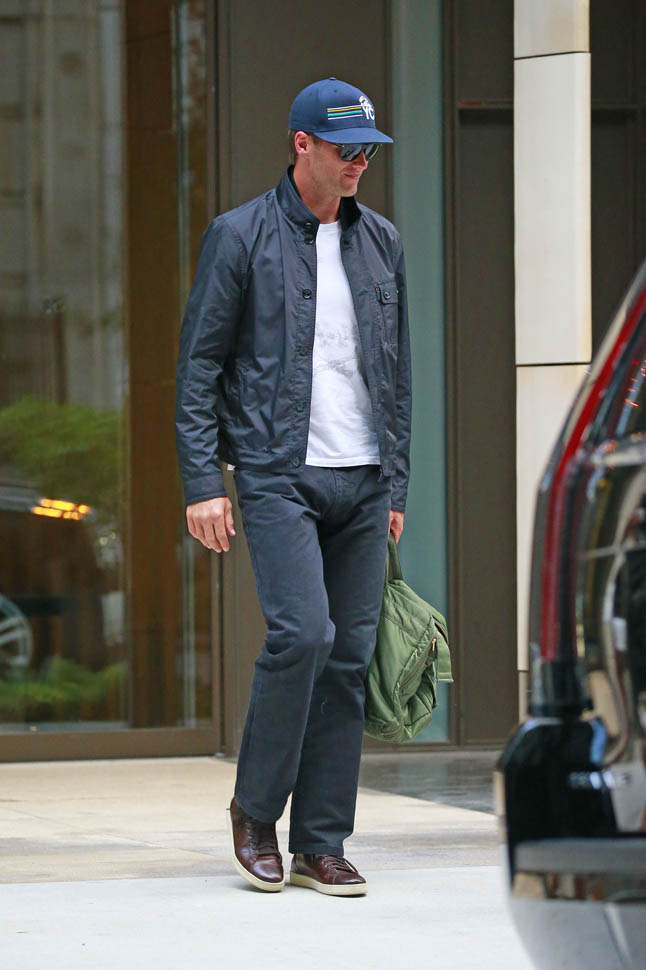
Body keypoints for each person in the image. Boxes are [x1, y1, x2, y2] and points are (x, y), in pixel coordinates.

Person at [175, 77, 411, 896]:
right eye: (346, 150)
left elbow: (397, 374)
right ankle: (254, 812)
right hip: (278, 473)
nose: (359, 164)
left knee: (347, 659)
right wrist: (204, 481)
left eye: (368, 153)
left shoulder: (382, 242)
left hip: (363, 479)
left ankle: (320, 842)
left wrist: (396, 485)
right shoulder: (239, 236)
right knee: (303, 635)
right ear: (301, 143)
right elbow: (199, 368)